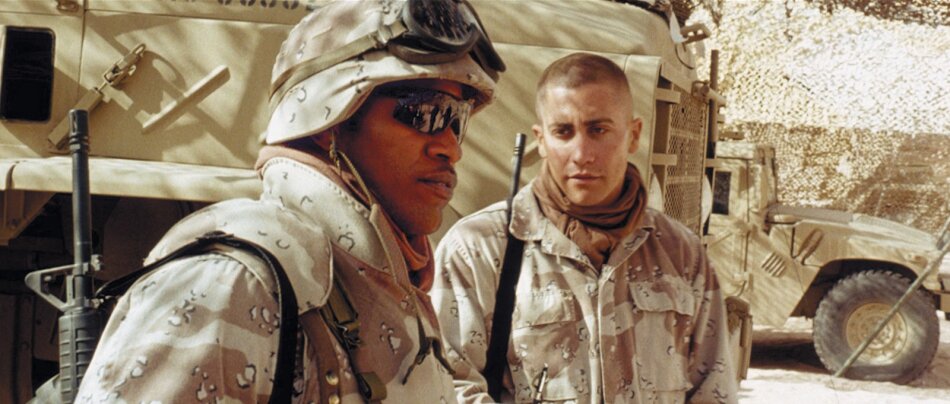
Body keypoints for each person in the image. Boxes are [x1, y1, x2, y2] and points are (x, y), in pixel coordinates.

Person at [74, 0, 504, 402]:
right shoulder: (230, 283)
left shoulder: (379, 288)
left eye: (458, 119)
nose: (451, 148)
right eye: (426, 113)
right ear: (329, 119)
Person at [431, 52, 737, 403]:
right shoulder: (480, 249)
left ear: (633, 135)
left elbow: (713, 390)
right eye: (563, 132)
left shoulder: (681, 254)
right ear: (541, 140)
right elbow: (449, 389)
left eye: (598, 130)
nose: (581, 154)